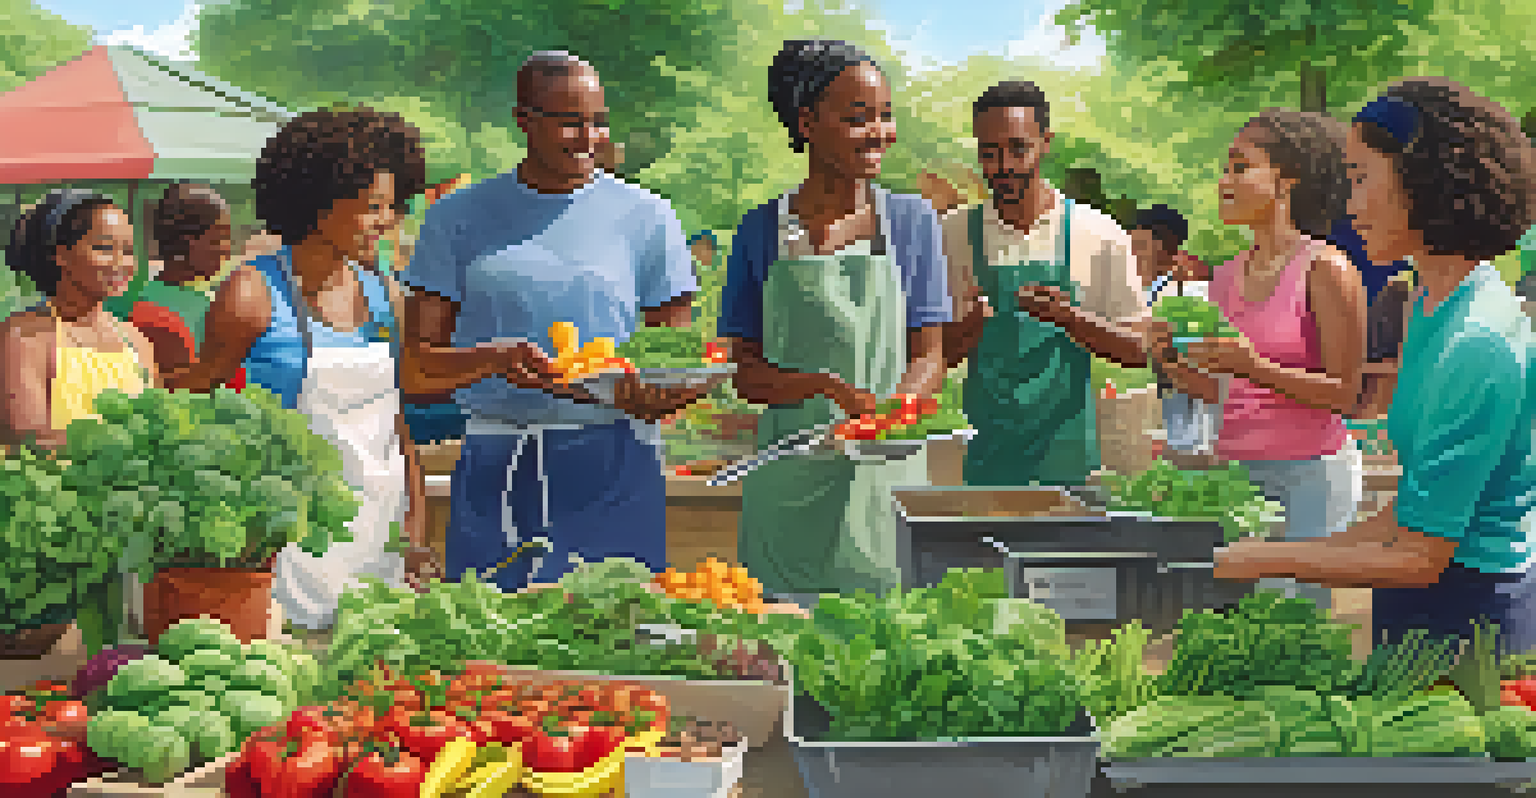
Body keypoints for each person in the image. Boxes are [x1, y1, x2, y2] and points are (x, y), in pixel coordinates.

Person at [1214, 78, 1536, 649]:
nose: (1348, 204)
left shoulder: (1476, 338)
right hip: (1426, 607)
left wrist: (1257, 559)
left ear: (1425, 183)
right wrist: (1260, 556)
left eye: (1361, 179)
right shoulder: (1433, 305)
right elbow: (1404, 518)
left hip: (1470, 621)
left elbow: (1419, 556)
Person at [402, 51, 708, 593]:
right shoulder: (457, 217)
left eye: (597, 121)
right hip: (498, 461)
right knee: (490, 645)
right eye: (569, 121)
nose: (587, 138)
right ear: (523, 119)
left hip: (614, 462)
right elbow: (419, 369)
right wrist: (493, 358)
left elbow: (674, 362)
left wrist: (654, 397)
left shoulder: (648, 216)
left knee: (617, 642)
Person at [163, 106, 437, 628]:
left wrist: (416, 539)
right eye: (373, 206)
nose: (387, 222)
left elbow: (397, 429)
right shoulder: (252, 292)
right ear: (319, 203)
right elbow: (194, 405)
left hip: (379, 540)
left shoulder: (384, 293)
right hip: (289, 548)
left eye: (392, 206)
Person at [720, 40, 950, 603]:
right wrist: (820, 388)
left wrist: (890, 417)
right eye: (858, 118)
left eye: (885, 115)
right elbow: (742, 370)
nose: (880, 132)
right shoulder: (759, 230)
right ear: (807, 123)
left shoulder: (911, 222)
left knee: (882, 653)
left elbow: (929, 355)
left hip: (884, 476)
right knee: (781, 650)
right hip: (788, 476)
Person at [1154, 109, 1367, 612]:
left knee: (1298, 628)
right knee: (1240, 625)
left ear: (1286, 179)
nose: (1224, 181)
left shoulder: (1327, 268)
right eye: (1225, 169)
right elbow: (1229, 393)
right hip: (1236, 477)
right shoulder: (1225, 277)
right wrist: (1165, 359)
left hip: (1310, 479)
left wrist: (1253, 366)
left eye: (1240, 166)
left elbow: (1345, 393)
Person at [941, 80, 1150, 488]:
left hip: (1069, 460)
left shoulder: (1099, 233)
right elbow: (931, 356)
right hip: (988, 461)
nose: (1004, 165)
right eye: (989, 153)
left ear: (1045, 142)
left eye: (1018, 148)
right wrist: (969, 328)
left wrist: (1069, 318)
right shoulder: (952, 235)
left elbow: (1141, 350)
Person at [1, 189, 157, 450]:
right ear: (60, 254)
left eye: (128, 251)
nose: (121, 263)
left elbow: (158, 424)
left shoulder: (135, 340)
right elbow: (30, 440)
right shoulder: (24, 337)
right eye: (104, 248)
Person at [105, 183, 233, 374]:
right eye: (218, 239)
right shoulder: (212, 310)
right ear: (187, 242)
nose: (227, 249)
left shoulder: (132, 299)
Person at [1131, 205, 1220, 460]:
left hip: (1185, 439)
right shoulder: (1133, 295)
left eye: (1137, 244)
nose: (1130, 253)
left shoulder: (1193, 297)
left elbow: (1202, 375)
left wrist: (1158, 352)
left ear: (1162, 245)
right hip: (1140, 437)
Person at [1131, 204, 1210, 305]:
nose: (1134, 252)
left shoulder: (1191, 291)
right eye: (1132, 244)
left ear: (1167, 245)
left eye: (1141, 245)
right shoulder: (1125, 289)